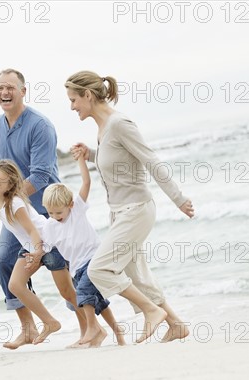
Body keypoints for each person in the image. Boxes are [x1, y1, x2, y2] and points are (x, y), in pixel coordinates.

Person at [65, 70, 195, 344]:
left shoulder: (120, 123)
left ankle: (151, 311)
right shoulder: (103, 129)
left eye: (74, 99)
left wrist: (179, 198)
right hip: (119, 212)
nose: (72, 106)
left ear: (88, 95)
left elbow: (150, 161)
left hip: (136, 210)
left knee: (99, 269)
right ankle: (176, 324)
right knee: (137, 275)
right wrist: (89, 154)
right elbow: (117, 162)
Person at [0, 69, 80, 349]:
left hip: (51, 211)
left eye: (11, 87)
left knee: (65, 272)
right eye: (0, 88)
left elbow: (40, 175)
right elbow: (0, 174)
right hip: (16, 213)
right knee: (3, 262)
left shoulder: (40, 126)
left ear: (24, 91)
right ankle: (27, 328)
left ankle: (89, 325)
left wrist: (1, 200)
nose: (5, 93)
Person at [0, 160, 79, 345]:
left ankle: (92, 327)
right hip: (31, 247)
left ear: (10, 185)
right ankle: (50, 322)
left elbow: (33, 231)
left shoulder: (15, 204)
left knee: (68, 292)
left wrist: (38, 253)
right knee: (15, 285)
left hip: (49, 245)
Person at [42, 149, 126, 347]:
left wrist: (81, 159)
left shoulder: (76, 211)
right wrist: (33, 256)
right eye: (50, 212)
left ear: (70, 205)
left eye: (58, 212)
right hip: (76, 268)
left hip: (93, 258)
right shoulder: (50, 225)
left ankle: (92, 329)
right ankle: (117, 333)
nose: (54, 216)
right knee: (99, 303)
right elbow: (45, 247)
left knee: (82, 293)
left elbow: (86, 183)